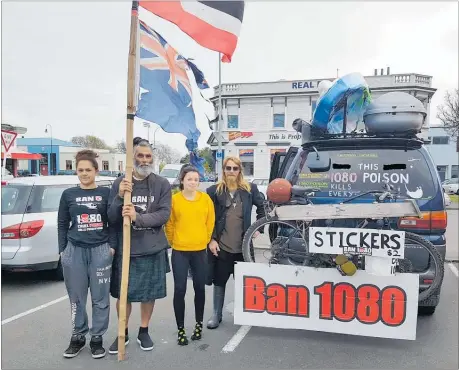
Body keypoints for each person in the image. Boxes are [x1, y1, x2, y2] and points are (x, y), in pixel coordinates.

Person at [107, 137, 172, 354]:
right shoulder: (120, 183)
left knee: (148, 294)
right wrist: (118, 197)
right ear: (132, 157)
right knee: (122, 294)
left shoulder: (162, 183)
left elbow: (163, 214)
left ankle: (144, 330)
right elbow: (111, 216)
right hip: (127, 248)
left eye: (148, 156)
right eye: (140, 156)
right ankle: (122, 332)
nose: (144, 160)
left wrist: (137, 217)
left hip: (151, 247)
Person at [57, 149, 116, 359]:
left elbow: (113, 223)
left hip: (100, 249)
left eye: (88, 170)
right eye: (80, 170)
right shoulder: (68, 195)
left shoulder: (106, 194)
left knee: (100, 298)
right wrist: (62, 249)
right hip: (74, 250)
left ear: (96, 171)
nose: (84, 173)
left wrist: (112, 246)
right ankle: (78, 336)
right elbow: (63, 223)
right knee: (76, 297)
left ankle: (97, 337)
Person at [205, 156, 265, 329]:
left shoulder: (250, 189)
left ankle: (244, 313)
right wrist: (211, 239)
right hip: (221, 246)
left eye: (235, 168)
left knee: (244, 282)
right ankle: (216, 314)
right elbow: (206, 217)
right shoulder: (213, 191)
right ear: (223, 170)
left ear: (240, 170)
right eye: (228, 168)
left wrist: (258, 228)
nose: (231, 172)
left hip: (243, 246)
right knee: (219, 281)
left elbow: (262, 208)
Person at [165, 165, 215, 345]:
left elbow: (210, 222)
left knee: (199, 288)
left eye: (196, 179)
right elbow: (169, 224)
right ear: (182, 181)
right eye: (189, 179)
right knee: (180, 289)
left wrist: (205, 239)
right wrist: (173, 241)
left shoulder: (205, 199)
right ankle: (181, 329)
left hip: (200, 251)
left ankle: (198, 324)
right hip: (180, 251)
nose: (193, 182)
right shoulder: (174, 200)